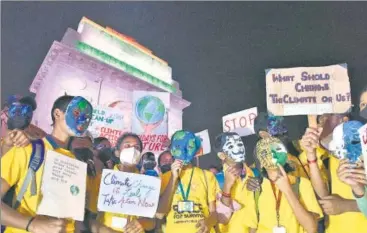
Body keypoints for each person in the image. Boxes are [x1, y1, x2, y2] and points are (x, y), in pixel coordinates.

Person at [1, 95, 93, 233]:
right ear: (57, 114)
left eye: (88, 116)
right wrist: (32, 224)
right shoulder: (29, 149)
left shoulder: (78, 166)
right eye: (77, 112)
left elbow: (75, 220)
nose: (84, 119)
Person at [301, 118, 367, 233]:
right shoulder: (333, 155)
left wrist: (348, 205)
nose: (318, 125)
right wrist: (311, 155)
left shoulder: (362, 150)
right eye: (318, 120)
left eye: (323, 118)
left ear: (343, 120)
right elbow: (325, 198)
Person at [248, 136, 322, 233]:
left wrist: (287, 190)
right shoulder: (256, 188)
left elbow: (312, 228)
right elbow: (252, 228)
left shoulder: (301, 184)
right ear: (260, 162)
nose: (273, 154)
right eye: (265, 153)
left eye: (277, 149)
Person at [157, 130, 218, 233]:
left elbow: (214, 213)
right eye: (179, 146)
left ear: (196, 150)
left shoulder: (207, 175)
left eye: (189, 146)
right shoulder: (163, 178)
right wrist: (173, 178)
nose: (184, 151)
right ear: (172, 150)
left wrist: (208, 222)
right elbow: (159, 214)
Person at [94, 132, 145, 233]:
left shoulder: (147, 183)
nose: (132, 150)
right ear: (117, 152)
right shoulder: (103, 179)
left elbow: (153, 221)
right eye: (127, 146)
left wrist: (142, 222)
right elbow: (89, 218)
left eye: (137, 147)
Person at [214, 132, 257, 233]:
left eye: (239, 144)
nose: (238, 148)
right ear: (222, 155)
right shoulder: (216, 179)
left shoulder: (255, 174)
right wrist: (227, 186)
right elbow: (222, 218)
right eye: (231, 146)